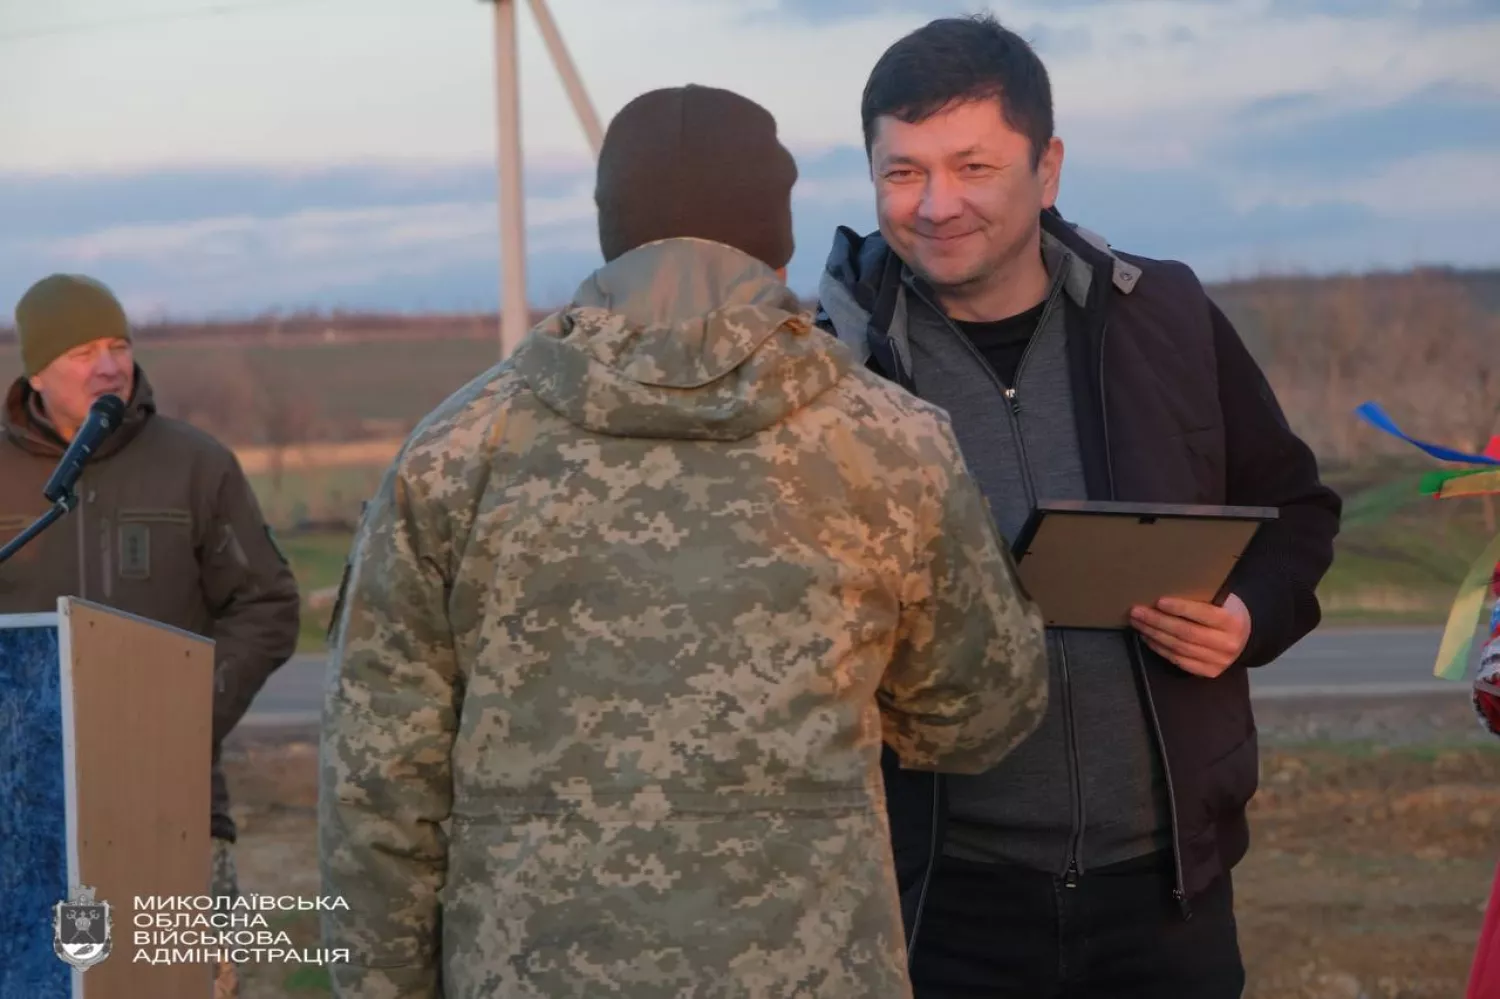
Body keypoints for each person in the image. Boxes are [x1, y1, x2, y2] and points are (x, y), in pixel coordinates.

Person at [318, 83, 1049, 999]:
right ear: (775, 230)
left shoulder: (457, 453)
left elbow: (377, 788)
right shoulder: (889, 443)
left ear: (608, 229)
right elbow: (978, 713)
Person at [815, 14, 1343, 998]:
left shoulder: (1170, 319)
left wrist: (1246, 617)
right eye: (903, 172)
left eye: (972, 166)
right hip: (935, 908)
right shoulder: (827, 369)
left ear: (1046, 168)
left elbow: (1298, 512)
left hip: (1165, 898)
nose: (936, 205)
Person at [0, 273, 301, 998]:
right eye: (81, 350)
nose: (108, 364)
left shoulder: (196, 465)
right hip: (21, 817)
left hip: (177, 805)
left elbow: (267, 603)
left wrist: (187, 709)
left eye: (118, 344)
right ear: (36, 372)